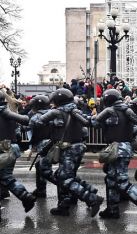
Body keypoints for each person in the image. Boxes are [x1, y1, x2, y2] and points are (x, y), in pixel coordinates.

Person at [37, 88, 103, 217]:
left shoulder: (57, 112)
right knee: (65, 176)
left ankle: (92, 198)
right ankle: (64, 205)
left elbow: (37, 121)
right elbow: (87, 124)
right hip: (77, 148)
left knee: (64, 178)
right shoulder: (75, 111)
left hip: (69, 149)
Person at [92, 89, 137, 221]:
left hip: (117, 149)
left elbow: (94, 123)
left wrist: (92, 117)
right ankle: (112, 209)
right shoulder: (128, 110)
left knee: (121, 182)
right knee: (111, 179)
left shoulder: (109, 110)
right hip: (123, 148)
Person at [0, 91, 36, 220]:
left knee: (5, 177)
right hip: (12, 148)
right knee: (6, 177)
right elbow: (20, 129)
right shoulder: (10, 114)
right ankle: (26, 196)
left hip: (2, 149)